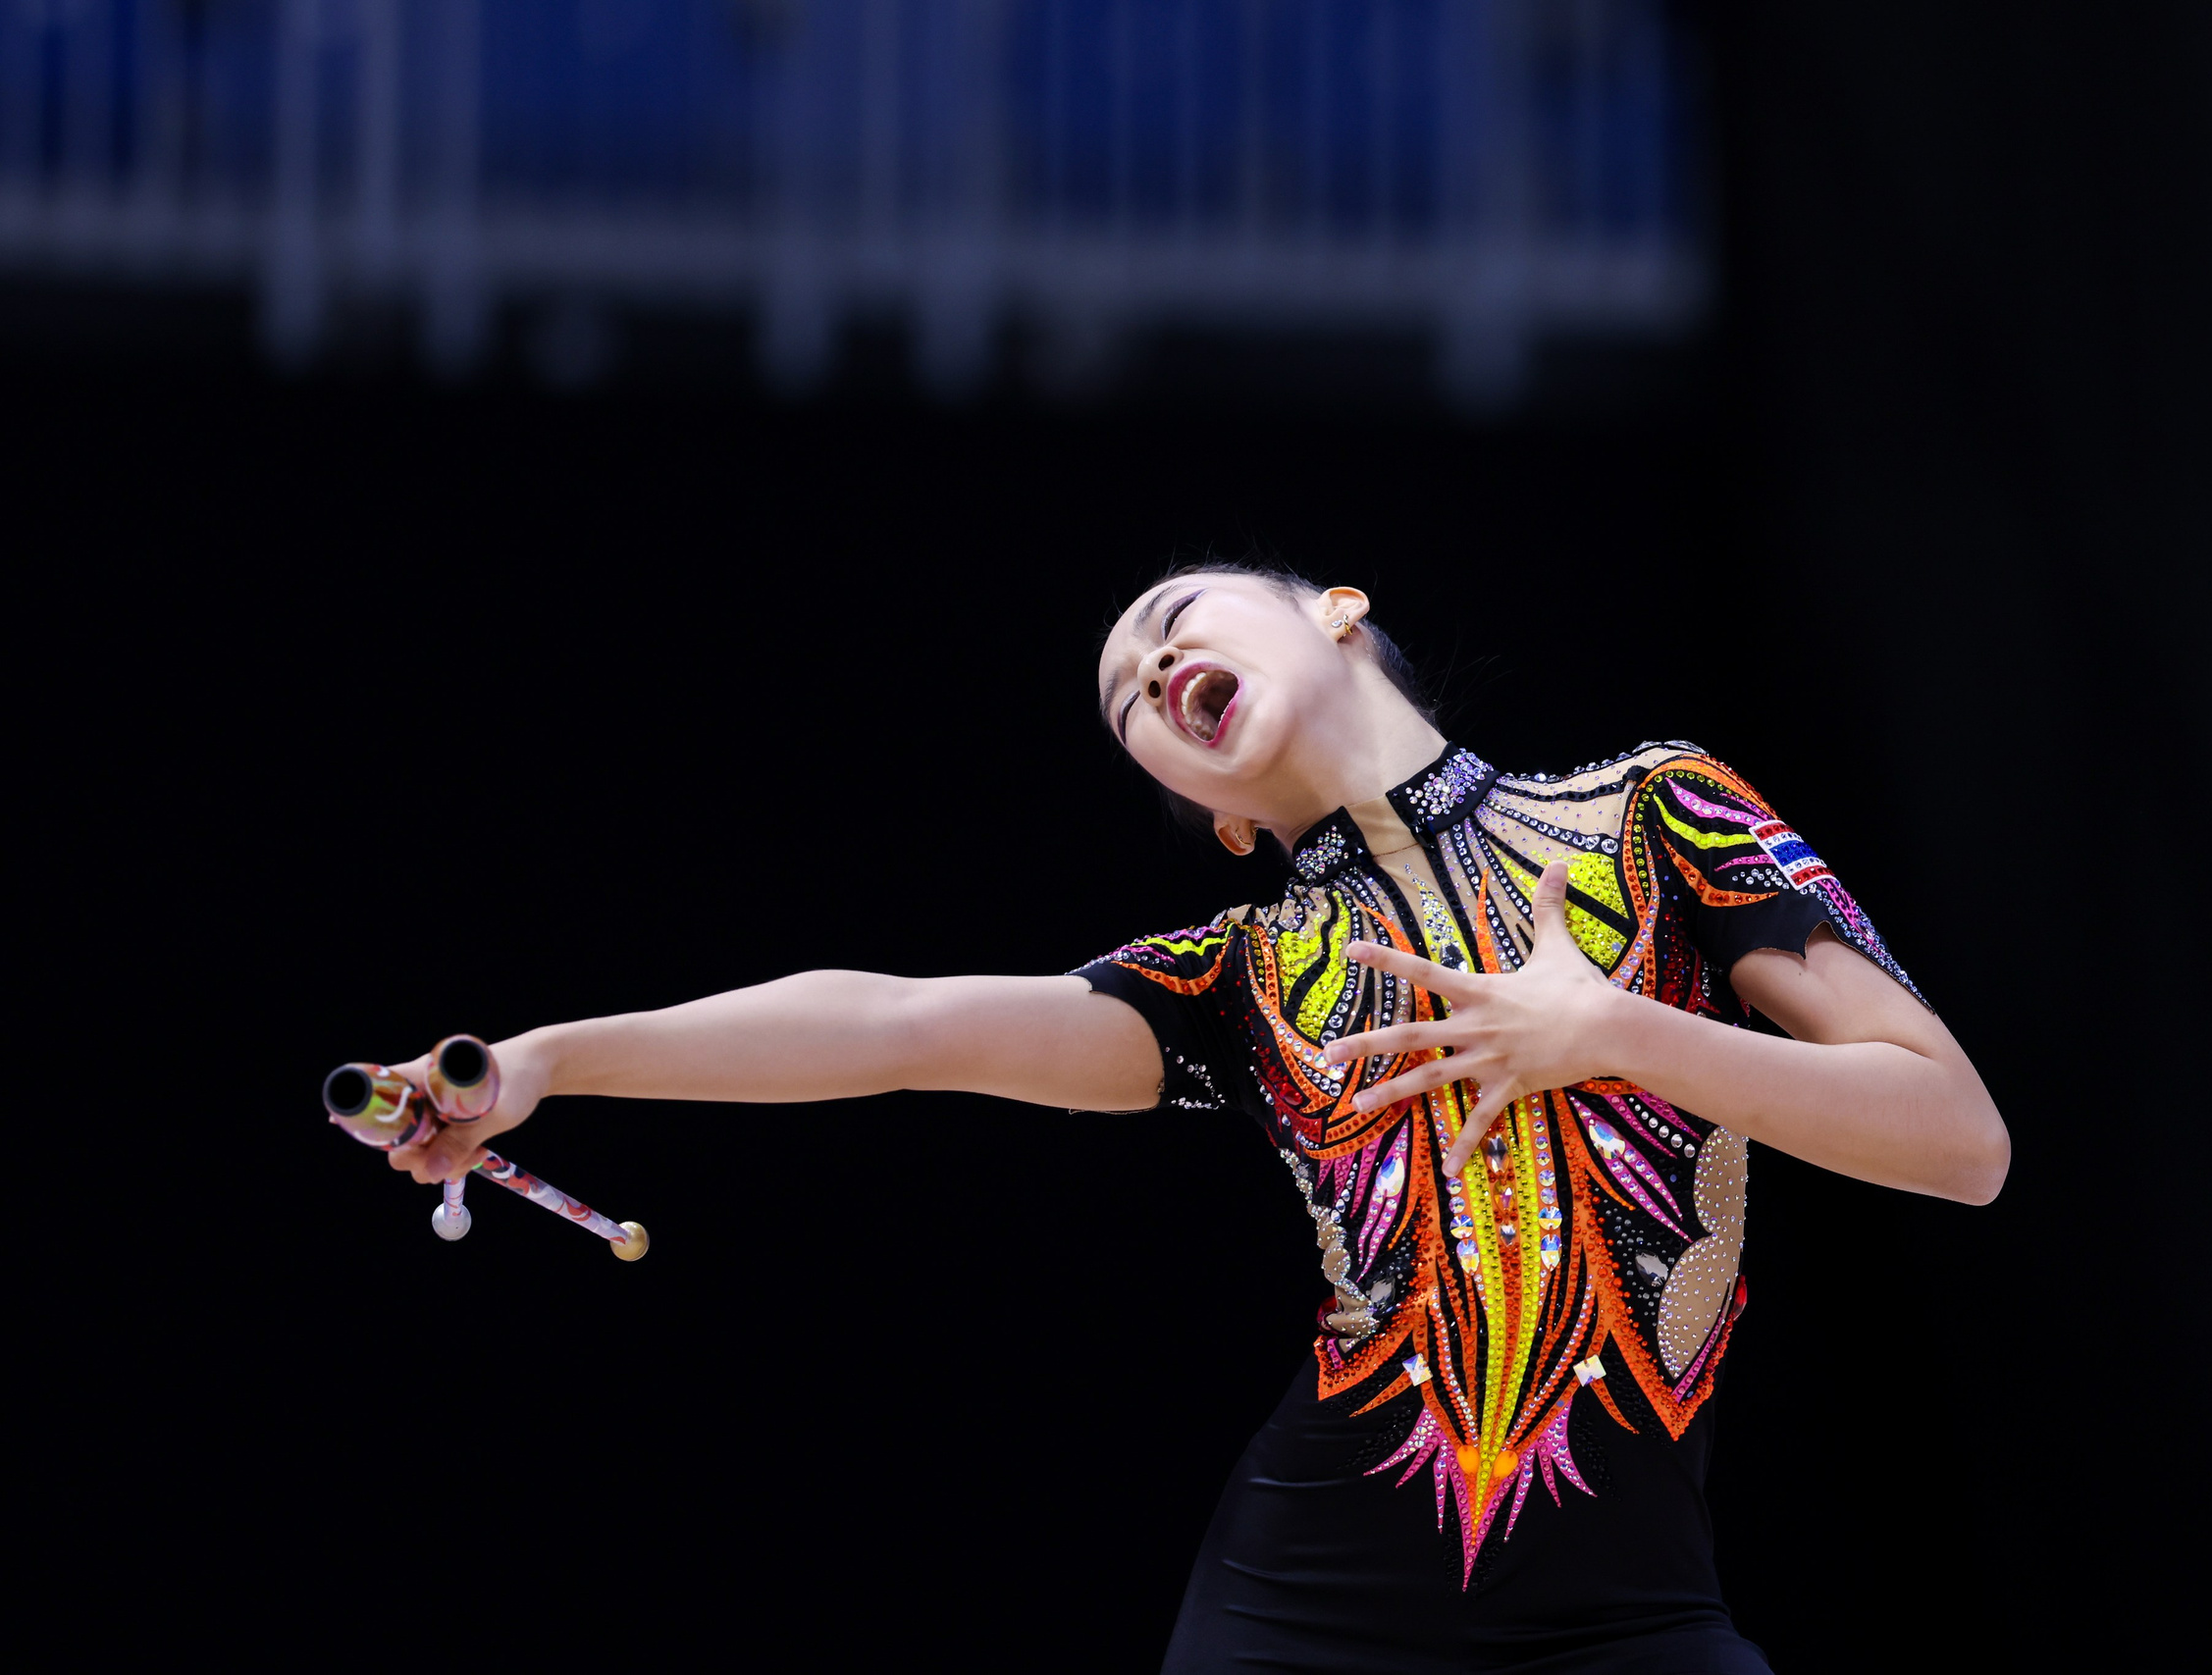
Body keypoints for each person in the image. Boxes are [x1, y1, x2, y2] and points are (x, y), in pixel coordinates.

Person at [378, 563, 2008, 1673]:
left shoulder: (1660, 811)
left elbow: (1956, 1140)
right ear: (1213, 819)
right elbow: (895, 1021)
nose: (1153, 669)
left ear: (1338, 613)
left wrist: (1615, 1031)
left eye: (1172, 625)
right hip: (1313, 1603)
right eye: (1127, 701)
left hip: (1632, 1615)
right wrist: (544, 1059)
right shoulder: (1242, 977)